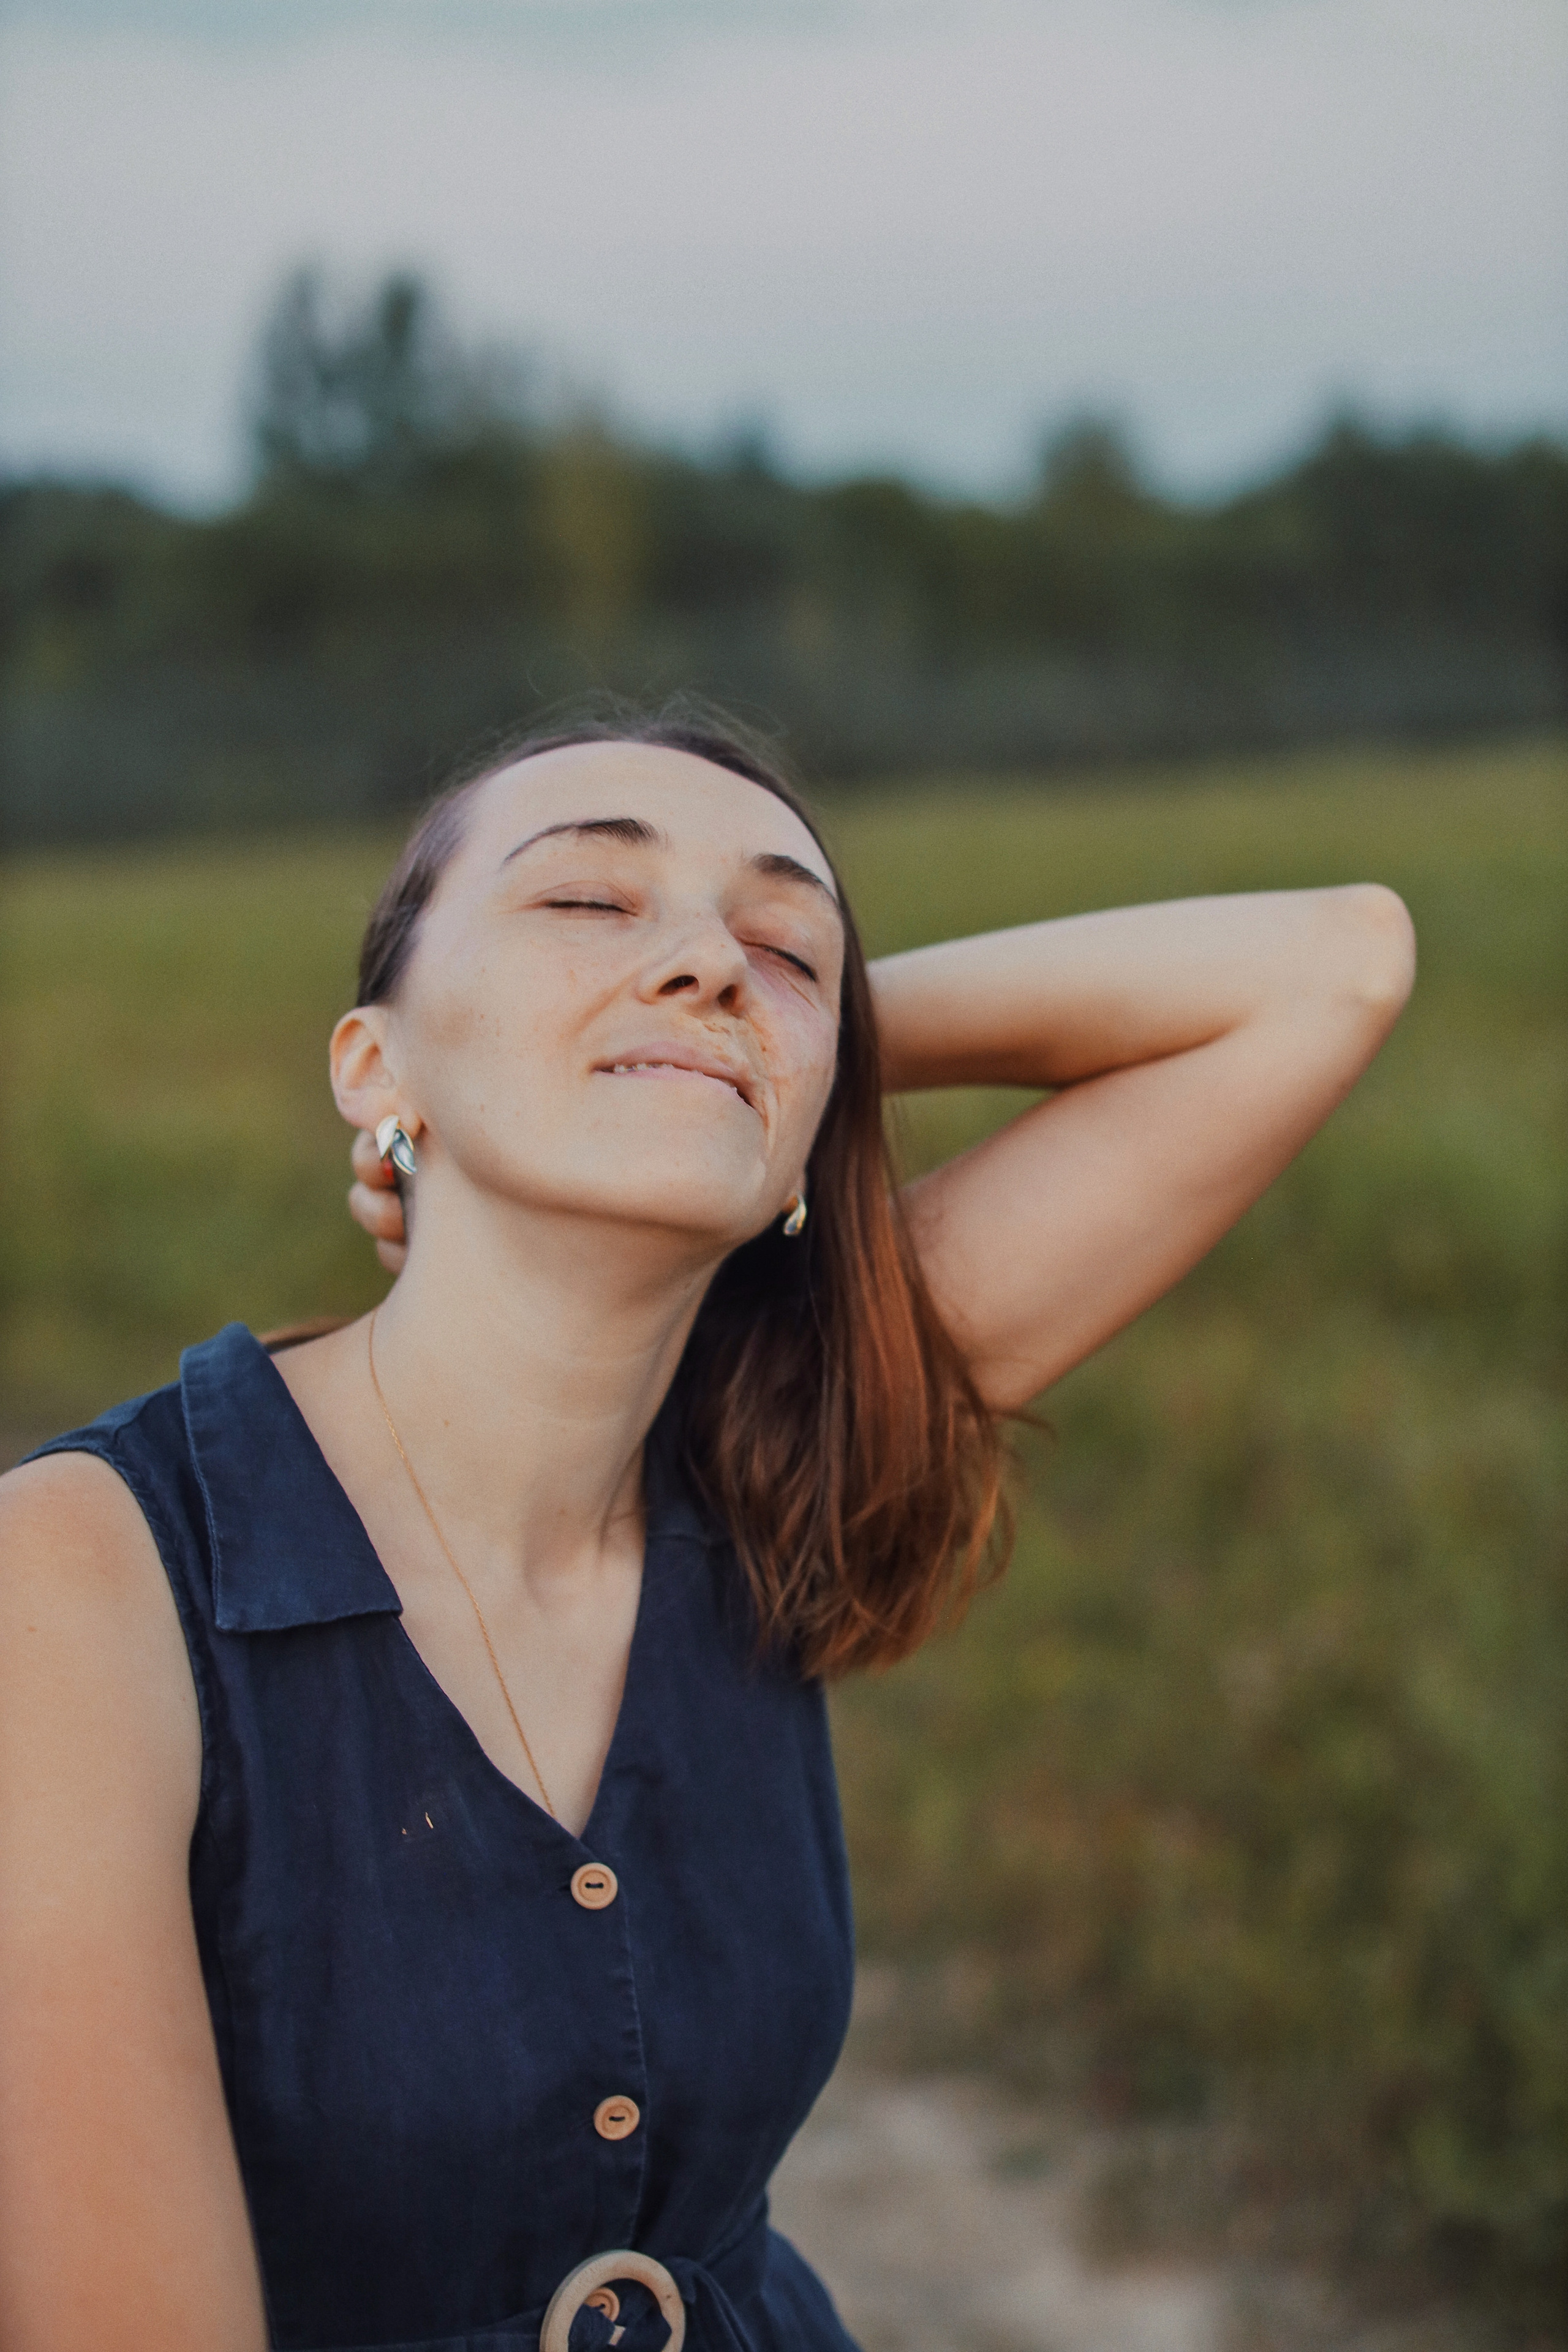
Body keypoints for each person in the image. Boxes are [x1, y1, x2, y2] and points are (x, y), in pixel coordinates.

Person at [0, 705, 1415, 2352]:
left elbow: (1337, 966)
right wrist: (721, 1020)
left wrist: (786, 1048)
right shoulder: (83, 1583)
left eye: (784, 942)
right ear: (376, 1064)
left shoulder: (761, 1453)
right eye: (591, 905)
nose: (706, 962)